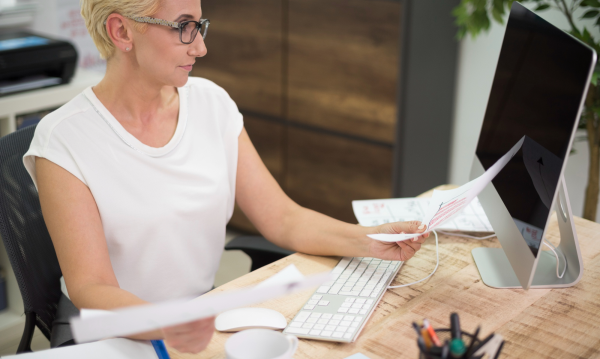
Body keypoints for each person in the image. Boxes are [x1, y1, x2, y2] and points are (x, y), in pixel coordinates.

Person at [23, 0, 429, 354]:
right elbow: (91, 287)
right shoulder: (64, 139)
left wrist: (372, 240)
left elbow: (282, 218)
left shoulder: (210, 103)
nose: (200, 46)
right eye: (184, 27)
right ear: (121, 30)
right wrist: (174, 324)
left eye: (199, 25)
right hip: (116, 337)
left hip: (200, 322)